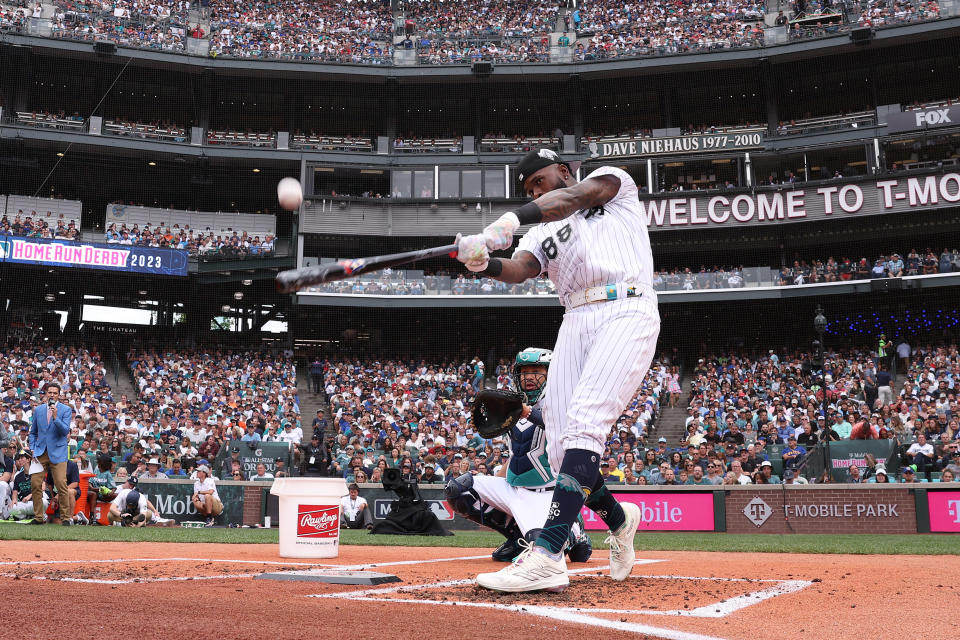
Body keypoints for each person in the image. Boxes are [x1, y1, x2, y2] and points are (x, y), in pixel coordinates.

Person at [460, 149, 659, 592]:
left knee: (587, 423)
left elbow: (575, 198)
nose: (535, 190)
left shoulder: (611, 183)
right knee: (558, 445)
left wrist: (510, 219)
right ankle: (619, 518)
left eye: (539, 181)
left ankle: (548, 553)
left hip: (625, 306)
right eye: (528, 188)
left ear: (564, 172)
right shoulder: (544, 231)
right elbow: (520, 269)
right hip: (574, 318)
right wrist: (484, 263)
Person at [445, 348, 591, 564]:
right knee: (459, 489)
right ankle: (516, 538)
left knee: (547, 554)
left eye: (536, 370)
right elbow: (518, 454)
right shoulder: (514, 406)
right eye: (524, 371)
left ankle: (574, 529)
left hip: (547, 494)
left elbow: (558, 428)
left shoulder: (562, 403)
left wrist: (526, 412)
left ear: (551, 374)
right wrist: (491, 487)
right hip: (514, 488)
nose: (529, 376)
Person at [29, 383, 73, 525]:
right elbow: (33, 432)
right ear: (46, 394)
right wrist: (32, 447)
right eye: (50, 392)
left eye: (55, 392)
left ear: (59, 395)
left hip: (58, 452)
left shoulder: (66, 410)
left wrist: (55, 417)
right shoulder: (39, 410)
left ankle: (66, 518)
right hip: (40, 452)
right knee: (35, 483)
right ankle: (38, 517)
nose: (52, 395)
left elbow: (65, 431)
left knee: (61, 484)